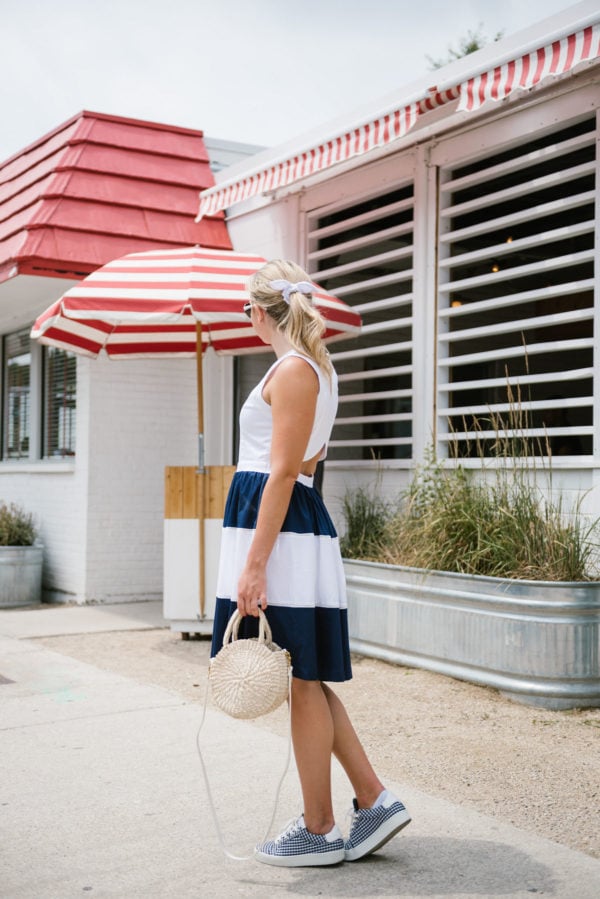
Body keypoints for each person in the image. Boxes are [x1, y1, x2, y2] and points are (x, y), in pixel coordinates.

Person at [210, 260, 411, 867]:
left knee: (300, 677)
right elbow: (312, 453)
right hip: (292, 529)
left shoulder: (295, 369)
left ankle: (320, 829)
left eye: (247, 309)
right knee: (308, 676)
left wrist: (255, 564)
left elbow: (282, 470)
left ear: (263, 312)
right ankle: (373, 799)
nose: (245, 318)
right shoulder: (313, 367)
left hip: (284, 534)